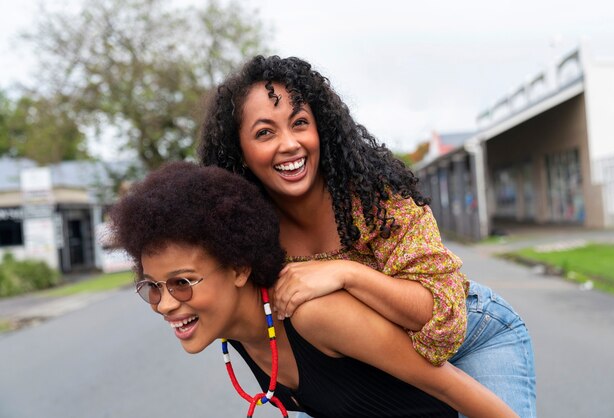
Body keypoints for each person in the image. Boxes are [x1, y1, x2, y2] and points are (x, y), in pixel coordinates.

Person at [198, 55, 536, 417]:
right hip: (371, 369)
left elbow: (439, 316)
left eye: (300, 123)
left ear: (321, 130)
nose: (289, 144)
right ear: (241, 153)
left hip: (472, 337)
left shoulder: (374, 198)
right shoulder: (247, 230)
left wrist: (346, 273)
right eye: (265, 132)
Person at [108, 161, 517, 418]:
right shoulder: (235, 332)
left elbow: (451, 389)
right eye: (152, 287)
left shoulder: (315, 316)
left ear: (238, 268)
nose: (164, 304)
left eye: (182, 283)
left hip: (474, 337)